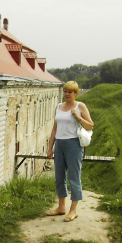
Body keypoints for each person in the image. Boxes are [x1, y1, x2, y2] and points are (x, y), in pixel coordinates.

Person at [46, 81, 94, 222]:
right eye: (65, 91)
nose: (67, 94)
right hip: (59, 144)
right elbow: (55, 128)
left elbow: (90, 125)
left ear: (75, 94)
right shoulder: (59, 107)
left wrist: (77, 117)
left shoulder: (80, 106)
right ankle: (61, 207)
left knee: (74, 176)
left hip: (73, 144)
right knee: (59, 176)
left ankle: (73, 210)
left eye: (70, 92)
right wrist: (50, 147)